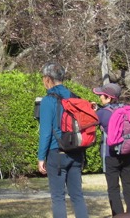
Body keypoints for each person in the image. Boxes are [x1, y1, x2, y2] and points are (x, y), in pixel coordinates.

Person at [37, 62, 89, 218]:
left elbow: (45, 132)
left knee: (58, 197)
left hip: (56, 152)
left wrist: (41, 157)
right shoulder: (75, 97)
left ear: (48, 79)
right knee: (77, 196)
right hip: (76, 151)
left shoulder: (48, 100)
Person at [93, 82, 130, 217]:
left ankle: (118, 215)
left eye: (101, 95)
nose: (100, 97)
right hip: (128, 152)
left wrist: (96, 111)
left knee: (113, 188)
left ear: (108, 97)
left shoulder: (101, 114)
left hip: (110, 154)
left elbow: (92, 123)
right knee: (129, 186)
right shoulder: (127, 109)